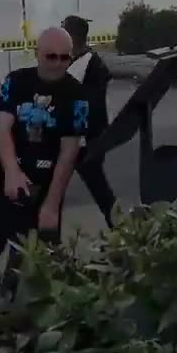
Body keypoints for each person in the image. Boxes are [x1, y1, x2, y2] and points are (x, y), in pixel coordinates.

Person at [0, 25, 88, 290]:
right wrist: (11, 171)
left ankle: (12, 302)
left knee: (26, 269)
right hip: (3, 182)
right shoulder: (17, 81)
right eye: (51, 56)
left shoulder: (76, 94)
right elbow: (2, 127)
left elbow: (69, 152)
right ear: (37, 53)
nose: (58, 63)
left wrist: (52, 205)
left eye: (65, 58)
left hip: (44, 189)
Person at [63, 14, 117, 227]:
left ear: (72, 36)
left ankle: (122, 227)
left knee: (100, 190)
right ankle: (121, 226)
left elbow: (92, 106)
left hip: (83, 141)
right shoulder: (78, 61)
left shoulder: (89, 65)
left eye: (64, 30)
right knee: (99, 190)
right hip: (80, 140)